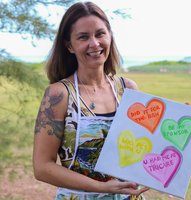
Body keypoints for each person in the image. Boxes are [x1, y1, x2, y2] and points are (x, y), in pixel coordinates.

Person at [33, 2, 148, 199]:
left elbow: (142, 151)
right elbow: (42, 167)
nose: (94, 43)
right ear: (69, 45)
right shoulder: (58, 95)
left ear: (110, 36)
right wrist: (101, 187)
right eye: (83, 37)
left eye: (100, 34)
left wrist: (181, 125)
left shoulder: (128, 89)